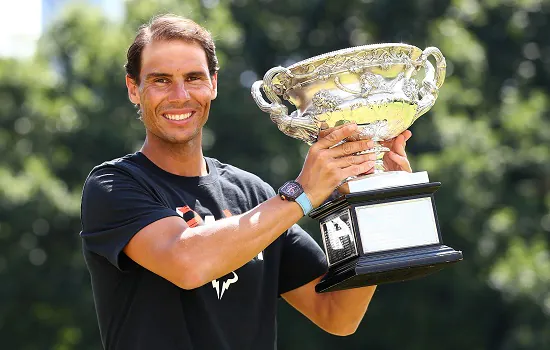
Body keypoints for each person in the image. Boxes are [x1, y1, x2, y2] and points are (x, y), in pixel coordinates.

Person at [80, 14, 413, 350]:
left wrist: (372, 205)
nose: (179, 95)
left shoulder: (254, 194)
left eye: (193, 77)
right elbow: (187, 264)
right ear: (133, 89)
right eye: (161, 80)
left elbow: (338, 315)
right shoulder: (112, 186)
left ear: (213, 83)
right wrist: (303, 194)